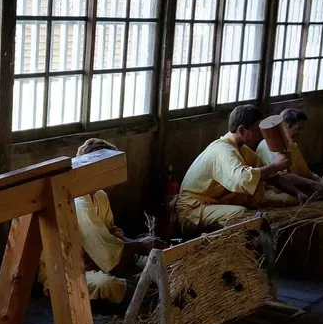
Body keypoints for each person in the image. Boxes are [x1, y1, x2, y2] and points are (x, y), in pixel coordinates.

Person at [38, 139, 166, 305]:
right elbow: (108, 256)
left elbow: (111, 234)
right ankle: (152, 302)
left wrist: (138, 243)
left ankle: (163, 288)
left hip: (95, 260)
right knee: (108, 285)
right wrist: (140, 245)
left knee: (150, 260)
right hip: (67, 270)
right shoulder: (78, 202)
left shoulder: (100, 195)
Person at [175, 104, 294, 232]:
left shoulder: (241, 149)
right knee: (240, 212)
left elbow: (268, 173)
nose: (260, 135)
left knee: (257, 196)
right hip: (193, 211)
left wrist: (299, 192)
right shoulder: (223, 149)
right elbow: (243, 179)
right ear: (241, 130)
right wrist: (276, 165)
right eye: (256, 130)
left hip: (214, 203)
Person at [256, 107, 323, 199]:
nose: (300, 132)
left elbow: (304, 171)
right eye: (298, 128)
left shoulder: (292, 145)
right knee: (290, 199)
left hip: (296, 182)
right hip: (277, 187)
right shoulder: (273, 146)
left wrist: (319, 180)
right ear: (286, 126)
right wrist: (312, 185)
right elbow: (283, 177)